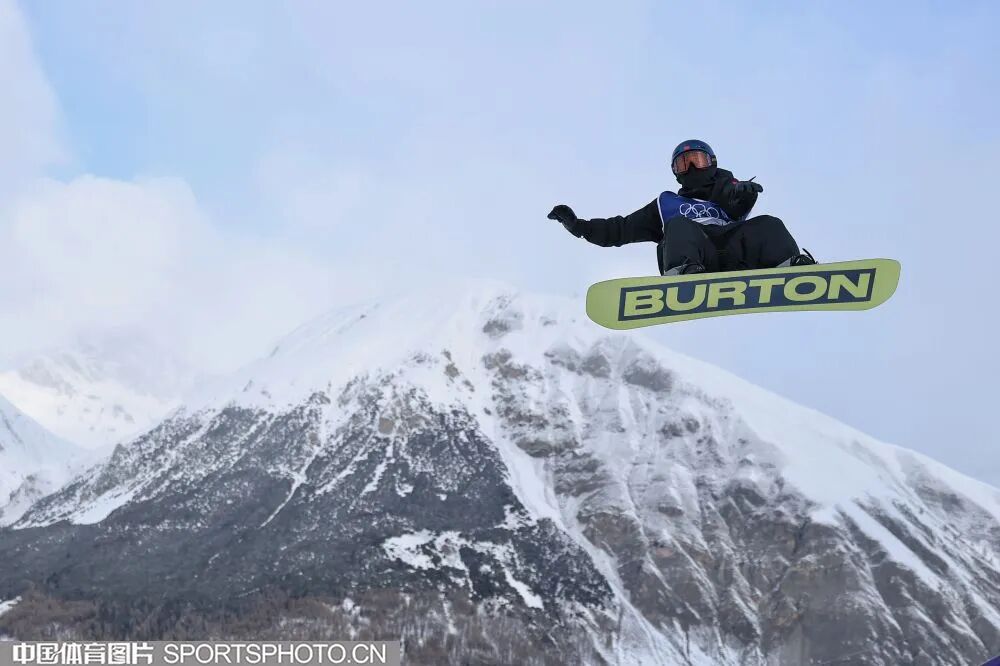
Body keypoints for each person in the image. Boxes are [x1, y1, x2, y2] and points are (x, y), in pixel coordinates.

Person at [548, 139, 815, 275]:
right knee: (678, 227)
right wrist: (578, 226)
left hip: (734, 254)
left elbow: (739, 206)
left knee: (769, 223)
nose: (691, 168)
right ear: (675, 173)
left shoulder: (726, 192)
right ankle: (684, 273)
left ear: (711, 162)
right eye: (683, 164)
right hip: (696, 255)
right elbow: (619, 229)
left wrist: (742, 194)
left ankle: (789, 266)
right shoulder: (666, 206)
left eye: (697, 160)